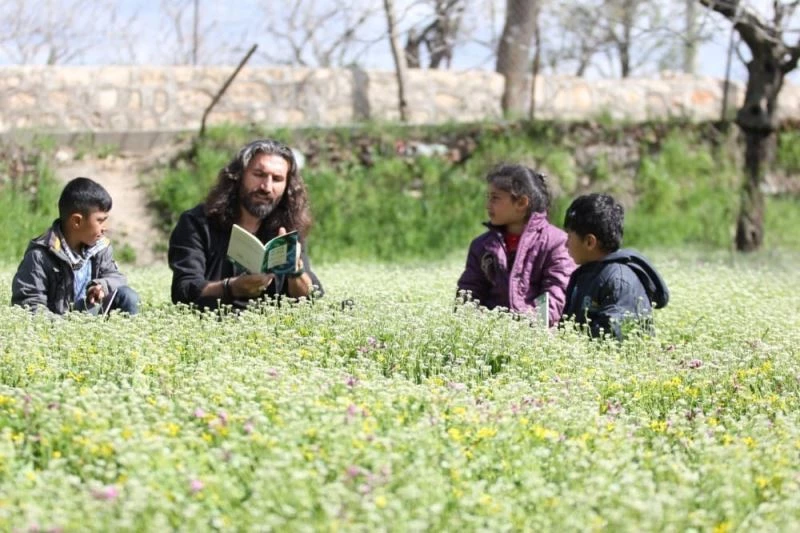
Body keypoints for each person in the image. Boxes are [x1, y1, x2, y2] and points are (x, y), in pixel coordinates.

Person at [168, 138, 323, 310]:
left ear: (287, 186)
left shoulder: (287, 226)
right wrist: (231, 288)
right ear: (239, 175)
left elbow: (311, 297)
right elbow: (183, 290)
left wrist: (295, 272)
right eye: (259, 175)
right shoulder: (196, 223)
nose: (266, 186)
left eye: (277, 179)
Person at [456, 164, 575, 325]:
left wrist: (526, 326)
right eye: (488, 197)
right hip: (488, 332)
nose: (488, 205)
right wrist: (475, 322)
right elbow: (469, 291)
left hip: (535, 336)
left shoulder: (556, 243)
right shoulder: (482, 245)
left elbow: (555, 295)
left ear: (521, 203)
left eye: (495, 198)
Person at [11, 177, 140, 315]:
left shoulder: (100, 247)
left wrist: (101, 286)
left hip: (93, 322)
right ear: (77, 221)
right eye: (100, 221)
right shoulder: (40, 256)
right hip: (58, 326)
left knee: (128, 296)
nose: (105, 228)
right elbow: (29, 304)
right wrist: (61, 327)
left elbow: (116, 277)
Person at [561, 193, 669, 340]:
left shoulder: (619, 281)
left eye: (569, 237)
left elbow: (612, 337)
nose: (566, 244)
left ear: (589, 242)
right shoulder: (584, 274)